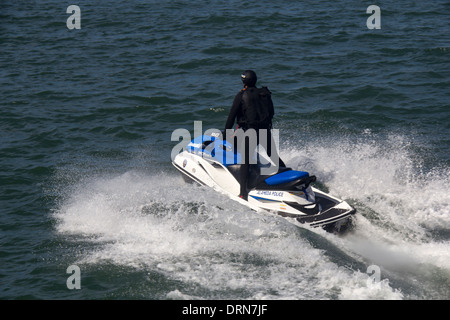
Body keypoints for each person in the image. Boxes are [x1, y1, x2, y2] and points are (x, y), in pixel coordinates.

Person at [224, 70, 285, 200]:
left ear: (243, 82)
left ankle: (243, 193)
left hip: (250, 132)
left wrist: (226, 133)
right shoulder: (265, 94)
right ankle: (289, 175)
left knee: (246, 160)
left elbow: (231, 117)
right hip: (264, 130)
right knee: (273, 156)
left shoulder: (241, 95)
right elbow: (271, 112)